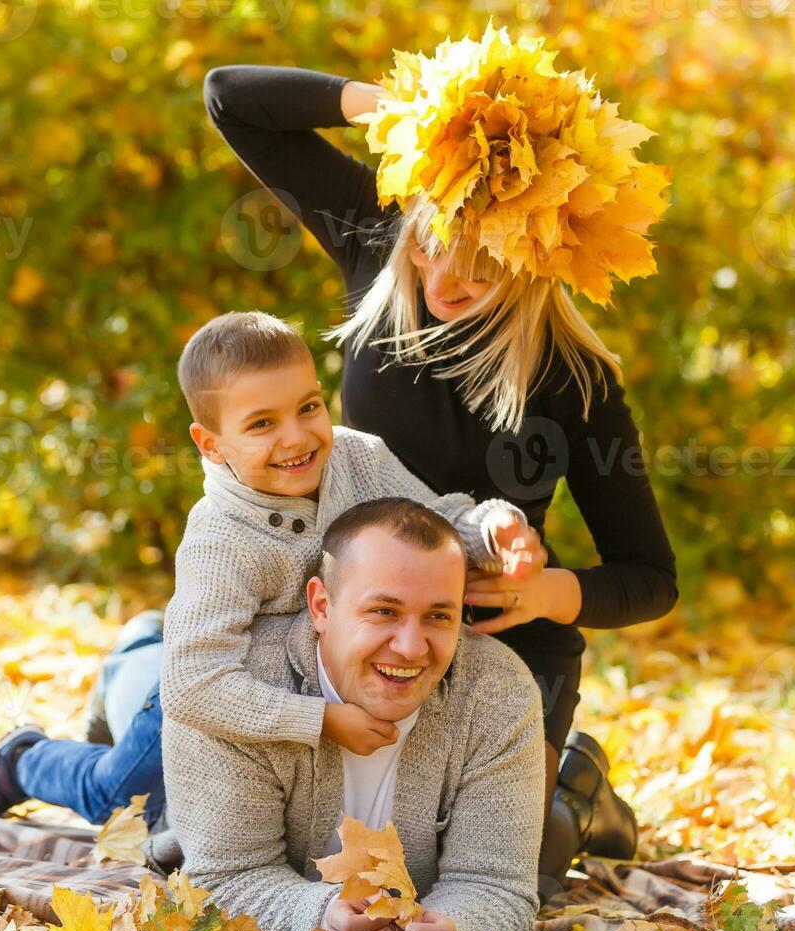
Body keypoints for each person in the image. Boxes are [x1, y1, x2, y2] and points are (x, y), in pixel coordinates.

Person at [203, 59, 680, 885]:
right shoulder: (375, 241)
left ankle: (577, 784)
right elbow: (230, 100)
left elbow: (651, 577)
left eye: (482, 261)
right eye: (432, 243)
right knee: (294, 849)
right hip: (353, 619)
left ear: (535, 251)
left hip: (504, 648)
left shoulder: (577, 379)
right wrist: (414, 117)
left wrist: (540, 594)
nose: (445, 280)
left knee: (499, 869)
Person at [0, 310, 539, 826]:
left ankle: (139, 648)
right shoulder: (220, 540)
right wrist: (322, 719)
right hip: (214, 686)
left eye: (308, 406)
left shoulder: (359, 458)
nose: (297, 436)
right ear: (211, 444)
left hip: (278, 691)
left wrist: (492, 530)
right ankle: (24, 756)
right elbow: (195, 684)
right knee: (118, 797)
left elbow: (435, 518)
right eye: (261, 424)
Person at [163, 497, 546, 931]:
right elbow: (227, 877)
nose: (410, 648)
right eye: (384, 611)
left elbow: (497, 885)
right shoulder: (233, 691)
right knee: (123, 740)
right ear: (321, 606)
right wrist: (318, 916)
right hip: (165, 736)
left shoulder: (498, 692)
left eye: (438, 616)